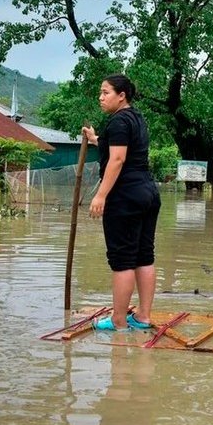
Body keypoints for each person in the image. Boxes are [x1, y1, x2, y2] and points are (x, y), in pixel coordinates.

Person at [83, 74, 161, 331]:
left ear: (121, 95)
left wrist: (101, 195)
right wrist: (96, 140)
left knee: (122, 259)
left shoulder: (118, 122)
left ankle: (118, 321)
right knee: (144, 256)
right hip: (148, 193)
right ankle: (143, 317)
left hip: (125, 196)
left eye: (105, 92)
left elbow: (117, 160)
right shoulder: (136, 118)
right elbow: (120, 147)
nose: (100, 97)